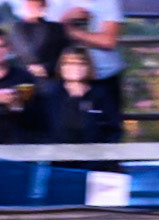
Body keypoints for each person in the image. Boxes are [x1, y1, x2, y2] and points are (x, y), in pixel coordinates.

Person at [44, 0, 124, 138]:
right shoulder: (56, 4)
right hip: (66, 81)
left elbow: (109, 41)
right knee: (63, 130)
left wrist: (71, 31)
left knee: (107, 131)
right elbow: (47, 40)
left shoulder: (108, 2)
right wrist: (66, 19)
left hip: (104, 77)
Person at [39, 47, 119, 142]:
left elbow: (113, 129)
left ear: (88, 67)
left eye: (80, 64)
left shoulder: (101, 95)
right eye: (69, 63)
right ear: (61, 67)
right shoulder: (50, 95)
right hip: (56, 153)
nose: (75, 68)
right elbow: (40, 128)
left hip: (94, 153)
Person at [11, 0, 70, 80]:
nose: (35, 7)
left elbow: (65, 53)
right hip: (24, 77)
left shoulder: (56, 28)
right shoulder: (17, 28)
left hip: (52, 76)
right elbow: (26, 51)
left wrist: (46, 67)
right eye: (31, 3)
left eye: (39, 4)